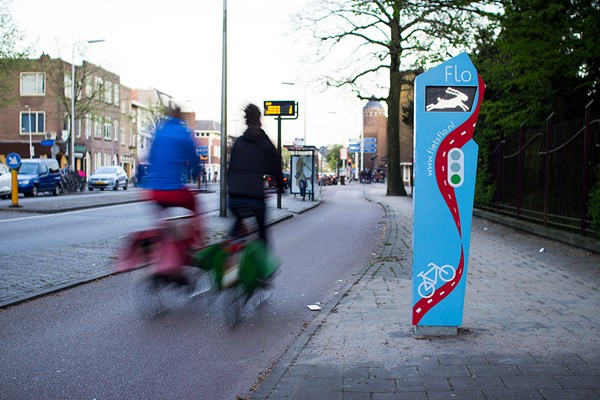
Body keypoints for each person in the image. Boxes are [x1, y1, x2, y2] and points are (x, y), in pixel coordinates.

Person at [145, 106, 202, 280]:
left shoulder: (159, 132)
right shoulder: (183, 133)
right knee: (195, 206)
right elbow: (192, 158)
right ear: (180, 116)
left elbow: (151, 157)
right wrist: (195, 173)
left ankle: (163, 252)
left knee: (165, 224)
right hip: (173, 190)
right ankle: (191, 246)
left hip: (154, 192)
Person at [227, 103, 283, 248]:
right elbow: (276, 167)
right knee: (262, 232)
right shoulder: (265, 143)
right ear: (259, 120)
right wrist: (281, 188)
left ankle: (231, 249)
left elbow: (230, 169)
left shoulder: (238, 142)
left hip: (235, 198)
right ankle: (264, 268)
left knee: (237, 223)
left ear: (246, 120)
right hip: (255, 199)